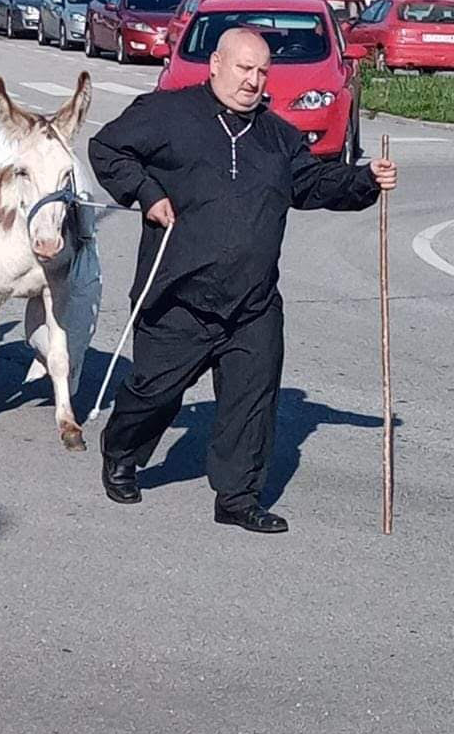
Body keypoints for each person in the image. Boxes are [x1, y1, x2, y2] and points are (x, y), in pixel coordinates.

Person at [88, 27, 397, 533]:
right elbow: (108, 149)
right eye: (243, 68)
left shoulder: (279, 137)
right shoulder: (167, 113)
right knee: (154, 392)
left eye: (261, 72)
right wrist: (146, 193)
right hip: (178, 296)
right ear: (215, 65)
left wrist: (364, 180)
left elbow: (312, 184)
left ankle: (237, 497)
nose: (253, 81)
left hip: (251, 302)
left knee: (251, 401)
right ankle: (122, 451)